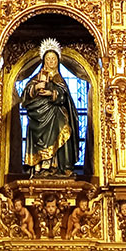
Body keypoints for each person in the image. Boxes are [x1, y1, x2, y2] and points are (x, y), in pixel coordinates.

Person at [21, 40, 80, 177]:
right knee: (40, 135)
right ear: (44, 61)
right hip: (38, 116)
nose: (51, 61)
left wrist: (52, 94)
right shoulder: (37, 77)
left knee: (63, 127)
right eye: (48, 59)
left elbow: (65, 98)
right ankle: (41, 166)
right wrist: (36, 88)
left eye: (53, 58)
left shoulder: (60, 79)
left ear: (58, 60)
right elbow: (25, 95)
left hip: (55, 113)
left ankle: (58, 166)